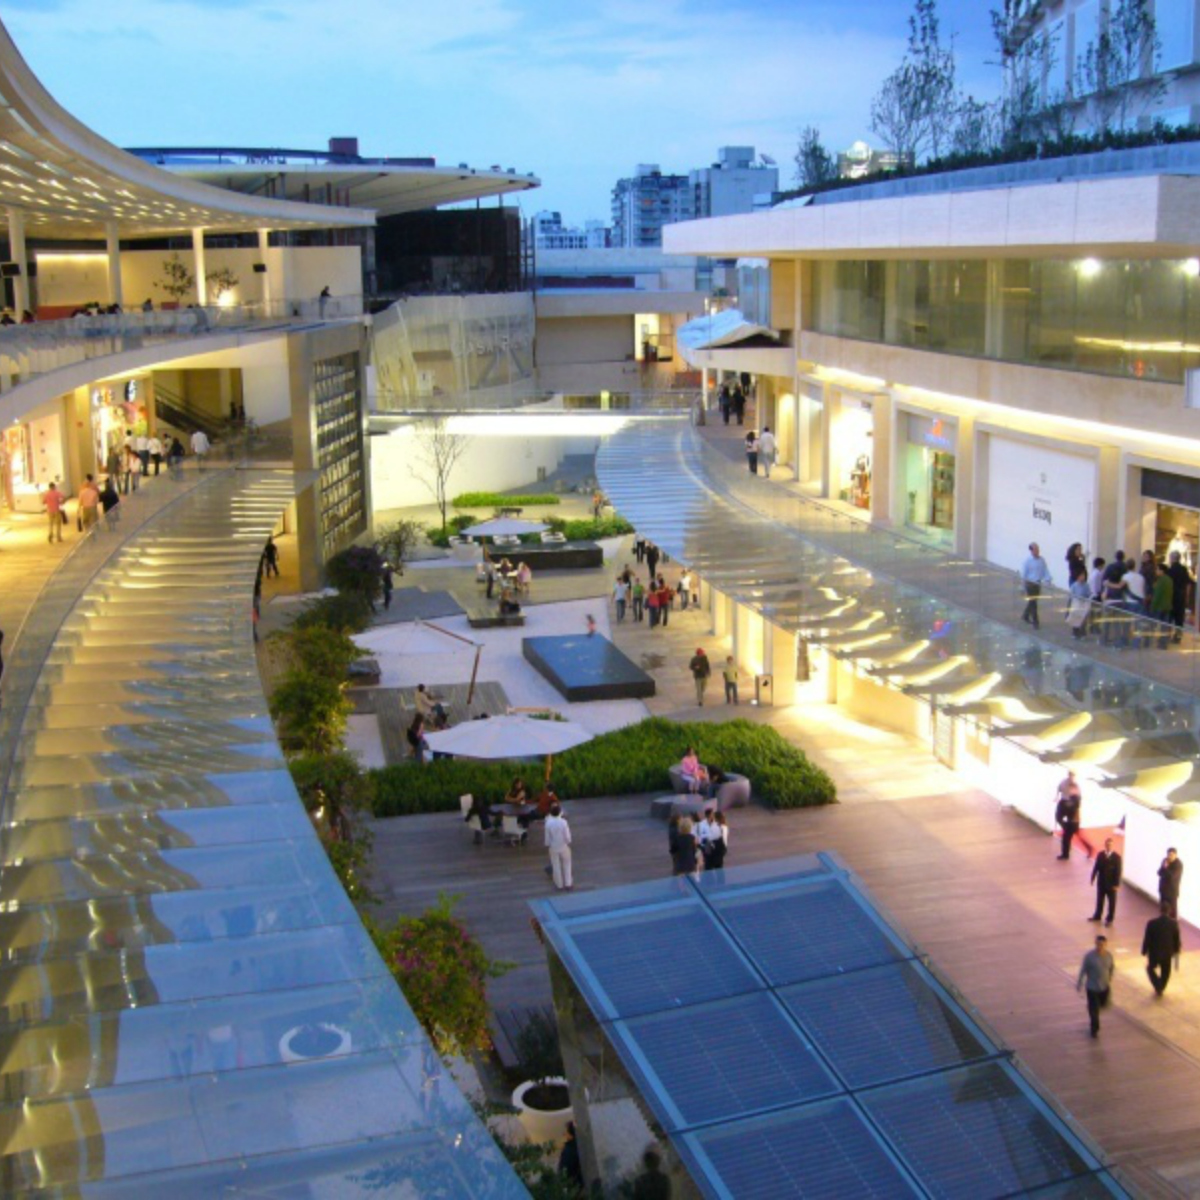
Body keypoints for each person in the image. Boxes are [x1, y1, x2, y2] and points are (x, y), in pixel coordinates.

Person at [1076, 934, 1115, 1038]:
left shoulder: (1109, 956)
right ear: (1095, 944)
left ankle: (1096, 1009)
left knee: (1103, 1005)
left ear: (1106, 944)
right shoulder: (1089, 956)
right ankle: (1094, 1027)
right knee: (1094, 1009)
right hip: (1092, 987)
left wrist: (1110, 977)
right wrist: (1079, 982)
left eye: (1102, 944)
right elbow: (1083, 969)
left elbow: (1111, 967)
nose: (1100, 946)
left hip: (1104, 987)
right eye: (1098, 944)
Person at [1143, 901, 1182, 997]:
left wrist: (1144, 950)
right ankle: (1161, 986)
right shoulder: (1173, 923)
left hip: (1154, 952)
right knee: (1166, 971)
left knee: (1150, 968)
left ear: (1159, 910)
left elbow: (1147, 938)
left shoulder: (1151, 923)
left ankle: (1157, 985)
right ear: (1169, 911)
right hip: (1167, 952)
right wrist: (1177, 951)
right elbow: (1176, 939)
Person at [1089, 837, 1122, 925]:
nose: (1108, 846)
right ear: (1105, 845)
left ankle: (1110, 918)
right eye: (1107, 844)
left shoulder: (1117, 858)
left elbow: (1118, 872)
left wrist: (1117, 884)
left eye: (1110, 845)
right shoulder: (1100, 855)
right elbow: (1096, 867)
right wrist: (1093, 877)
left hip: (1111, 884)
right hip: (1101, 882)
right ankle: (1097, 915)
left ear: (1112, 846)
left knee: (1111, 902)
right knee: (1100, 900)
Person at [1166, 550, 1196, 643]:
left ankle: (1167, 636)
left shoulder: (1170, 570)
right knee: (1179, 618)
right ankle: (1178, 637)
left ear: (1172, 558)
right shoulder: (1184, 569)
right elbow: (1188, 583)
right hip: (1181, 595)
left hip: (1172, 596)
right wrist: (1186, 595)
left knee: (1170, 618)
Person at [1021, 542, 1052, 628]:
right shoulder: (1027, 561)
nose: (1037, 551)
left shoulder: (1041, 560)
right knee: (1033, 603)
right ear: (1031, 551)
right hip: (1030, 584)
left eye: (1038, 549)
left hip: (1037, 583)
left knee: (1032, 601)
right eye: (1035, 549)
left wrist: (1048, 579)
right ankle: (1035, 621)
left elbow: (1045, 570)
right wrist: (1023, 586)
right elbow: (1024, 574)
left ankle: (1025, 615)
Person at [544, 803, 572, 890]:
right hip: (563, 846)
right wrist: (568, 841)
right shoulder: (564, 822)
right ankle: (568, 884)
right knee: (567, 864)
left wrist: (548, 844)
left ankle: (559, 885)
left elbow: (547, 837)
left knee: (555, 865)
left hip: (553, 846)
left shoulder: (548, 823)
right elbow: (567, 836)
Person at [1055, 771, 1082, 860]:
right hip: (1072, 821)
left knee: (1066, 838)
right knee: (1068, 838)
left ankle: (1065, 854)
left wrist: (1065, 806)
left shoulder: (1075, 799)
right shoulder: (1074, 797)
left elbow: (1073, 808)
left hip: (1073, 822)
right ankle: (1065, 854)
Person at [1149, 564, 1174, 648]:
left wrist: (1152, 606)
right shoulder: (1169, 580)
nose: (1156, 571)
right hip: (1167, 605)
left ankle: (1149, 641)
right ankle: (1163, 643)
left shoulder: (1161, 580)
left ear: (1162, 571)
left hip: (1159, 606)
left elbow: (1157, 595)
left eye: (1157, 569)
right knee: (1165, 626)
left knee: (1153, 624)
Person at [558, 1122, 584, 1190]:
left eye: (566, 1132)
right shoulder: (579, 1145)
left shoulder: (569, 1150)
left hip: (573, 1183)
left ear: (571, 1135)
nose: (564, 1134)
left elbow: (563, 1168)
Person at [1159, 847, 1183, 918]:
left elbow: (1172, 877)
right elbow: (1160, 872)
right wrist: (1164, 868)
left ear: (1176, 855)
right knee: (1163, 907)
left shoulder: (1178, 865)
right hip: (1163, 889)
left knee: (1172, 910)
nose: (1170, 857)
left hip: (1172, 891)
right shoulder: (1165, 861)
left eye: (1172, 855)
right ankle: (1163, 921)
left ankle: (1173, 923)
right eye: (1169, 855)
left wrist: (1166, 868)